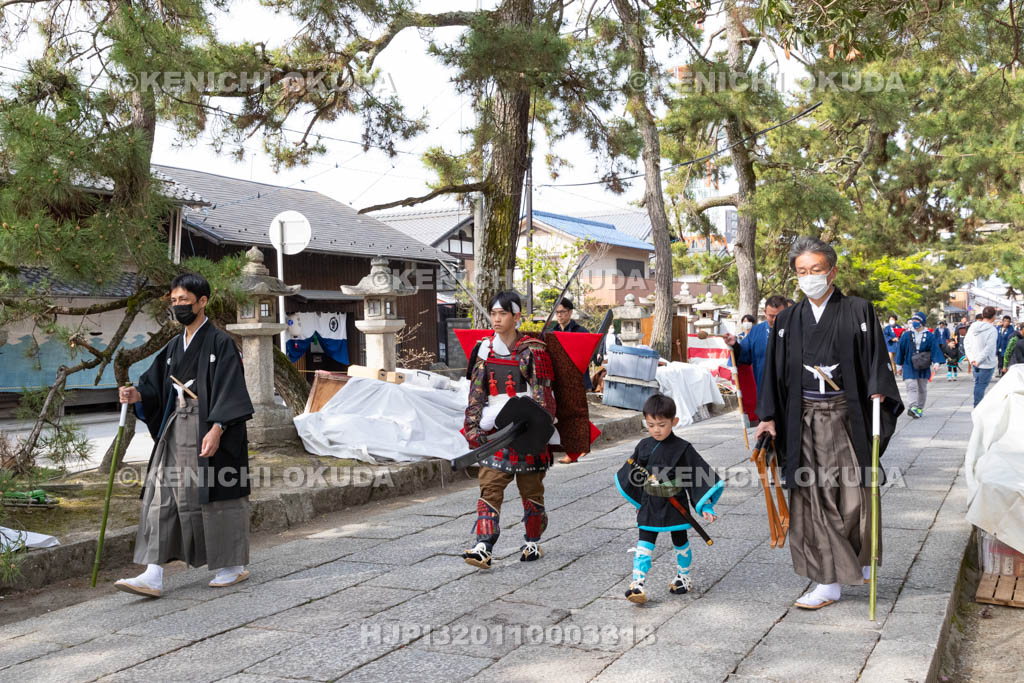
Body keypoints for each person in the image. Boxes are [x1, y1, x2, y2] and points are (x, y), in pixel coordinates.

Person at [756, 236, 903, 610]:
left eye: (816, 270)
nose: (809, 277)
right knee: (812, 498)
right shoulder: (788, 319)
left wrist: (878, 390)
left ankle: (856, 559)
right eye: (802, 272)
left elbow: (875, 360)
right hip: (802, 420)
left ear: (832, 271)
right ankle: (827, 580)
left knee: (853, 497)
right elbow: (772, 373)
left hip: (846, 416)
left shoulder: (858, 310)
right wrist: (768, 418)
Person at [114, 273, 254, 598]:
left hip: (210, 426)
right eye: (174, 301)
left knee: (215, 493)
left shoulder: (221, 343)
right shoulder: (174, 346)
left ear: (202, 302)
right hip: (176, 424)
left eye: (184, 301)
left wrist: (218, 428)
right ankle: (153, 573)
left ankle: (231, 565)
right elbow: (154, 384)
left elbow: (231, 390)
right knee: (162, 490)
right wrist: (137, 395)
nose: (178, 307)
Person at [462, 291, 556, 569]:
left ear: (516, 317)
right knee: (489, 487)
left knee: (531, 490)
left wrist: (536, 427)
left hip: (528, 431)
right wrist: (473, 427)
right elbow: (476, 393)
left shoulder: (533, 351)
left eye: (503, 313)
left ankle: (532, 541)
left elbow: (543, 396)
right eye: (493, 313)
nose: (496, 319)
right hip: (494, 431)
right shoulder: (483, 349)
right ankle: (484, 545)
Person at [615, 393, 722, 604]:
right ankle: (637, 584)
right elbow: (633, 472)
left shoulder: (683, 449)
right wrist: (639, 499)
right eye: (651, 424)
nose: (656, 429)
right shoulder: (644, 446)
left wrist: (706, 506)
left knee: (680, 540)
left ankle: (683, 576)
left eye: (662, 424)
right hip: (650, 504)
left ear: (674, 422)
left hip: (675, 505)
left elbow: (698, 474)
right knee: (644, 542)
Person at [546, 297, 593, 463]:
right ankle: (586, 440)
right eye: (557, 312)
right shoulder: (551, 332)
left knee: (573, 415)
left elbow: (587, 356)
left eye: (562, 312)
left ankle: (572, 452)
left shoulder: (581, 332)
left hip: (576, 379)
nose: (559, 315)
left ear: (570, 312)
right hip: (558, 379)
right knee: (566, 414)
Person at [723, 294, 788, 397]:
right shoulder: (756, 331)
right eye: (771, 316)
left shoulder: (795, 330)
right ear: (765, 313)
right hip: (764, 389)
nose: (775, 319)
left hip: (789, 390)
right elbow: (744, 355)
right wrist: (735, 344)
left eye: (779, 315)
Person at [893, 312, 944, 418]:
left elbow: (934, 349)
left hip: (923, 364)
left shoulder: (929, 336)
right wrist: (898, 365)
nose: (914, 323)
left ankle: (919, 408)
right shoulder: (906, 335)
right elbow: (900, 350)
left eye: (917, 321)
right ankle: (913, 407)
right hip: (908, 363)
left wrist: (936, 362)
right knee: (911, 386)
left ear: (922, 323)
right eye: (913, 321)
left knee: (922, 388)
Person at [964, 306, 999, 406]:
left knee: (978, 385)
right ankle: (977, 406)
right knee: (981, 386)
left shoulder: (973, 326)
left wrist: (972, 359)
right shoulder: (992, 330)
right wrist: (978, 360)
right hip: (986, 363)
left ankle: (977, 405)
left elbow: (966, 343)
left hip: (974, 362)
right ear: (994, 317)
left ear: (983, 315)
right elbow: (989, 348)